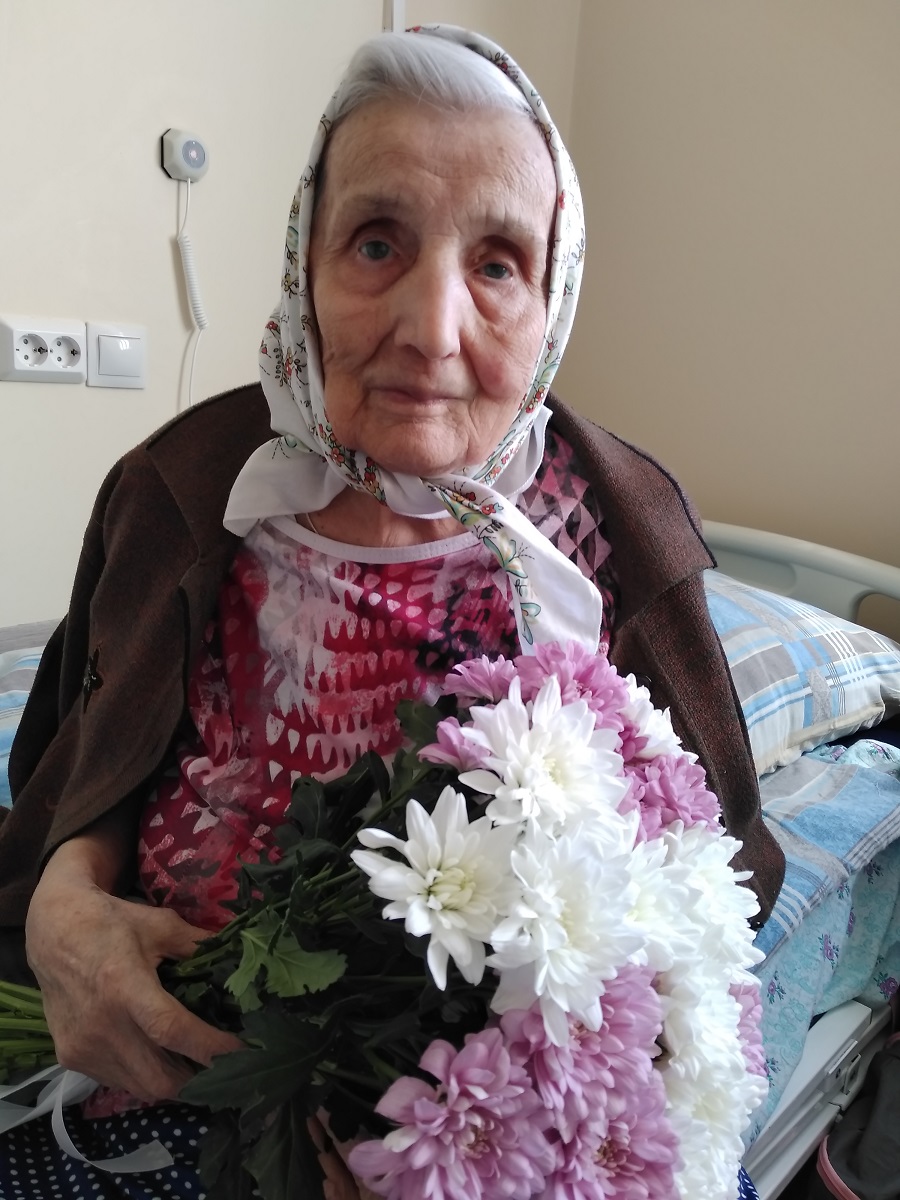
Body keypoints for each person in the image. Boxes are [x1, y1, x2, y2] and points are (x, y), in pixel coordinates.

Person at [0, 25, 780, 1200]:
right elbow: (84, 755)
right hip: (141, 1076)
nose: (432, 329)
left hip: (463, 1131)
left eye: (499, 264)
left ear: (555, 295)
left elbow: (706, 882)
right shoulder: (181, 486)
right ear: (304, 263)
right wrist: (65, 904)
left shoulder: (618, 529)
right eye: (377, 243)